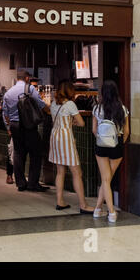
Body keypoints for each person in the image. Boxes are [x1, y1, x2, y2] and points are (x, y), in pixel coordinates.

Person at [48, 80, 94, 213]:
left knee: (60, 171)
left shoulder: (53, 104)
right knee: (77, 172)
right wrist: (72, 122)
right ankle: (83, 206)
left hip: (55, 136)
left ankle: (60, 201)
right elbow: (81, 123)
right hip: (65, 138)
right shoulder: (70, 104)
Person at [2, 70, 49, 192]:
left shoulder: (8, 93)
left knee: (18, 153)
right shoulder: (30, 89)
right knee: (36, 153)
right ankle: (33, 183)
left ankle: (21, 183)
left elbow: (5, 113)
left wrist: (9, 128)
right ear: (27, 78)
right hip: (28, 125)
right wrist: (50, 110)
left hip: (14, 125)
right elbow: (40, 104)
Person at [92, 80, 130, 223]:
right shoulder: (122, 108)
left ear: (103, 93)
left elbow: (94, 130)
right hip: (116, 146)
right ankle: (109, 212)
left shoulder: (97, 109)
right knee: (107, 180)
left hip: (101, 146)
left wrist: (102, 140)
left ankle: (100, 210)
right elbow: (126, 132)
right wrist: (118, 143)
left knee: (105, 179)